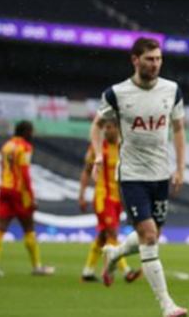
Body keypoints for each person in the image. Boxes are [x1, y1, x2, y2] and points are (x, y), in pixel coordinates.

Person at [93, 37, 188, 317]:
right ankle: (167, 305)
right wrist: (99, 154)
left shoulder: (172, 90)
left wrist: (180, 168)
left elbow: (179, 129)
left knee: (153, 235)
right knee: (148, 236)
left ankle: (115, 253)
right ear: (135, 60)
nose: (155, 64)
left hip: (160, 174)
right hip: (132, 175)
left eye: (158, 58)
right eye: (149, 59)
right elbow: (96, 126)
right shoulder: (117, 93)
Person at [78, 117, 142, 283]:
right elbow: (86, 171)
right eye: (105, 127)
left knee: (102, 236)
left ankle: (87, 272)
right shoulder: (97, 148)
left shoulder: (123, 148)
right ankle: (125, 270)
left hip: (117, 198)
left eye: (110, 127)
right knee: (112, 233)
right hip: (102, 197)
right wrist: (81, 194)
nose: (106, 131)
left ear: (118, 129)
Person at [0, 120, 54, 277]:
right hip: (18, 191)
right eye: (31, 131)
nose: (32, 135)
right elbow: (24, 173)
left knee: (1, 228)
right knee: (29, 227)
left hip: (4, 188)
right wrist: (31, 196)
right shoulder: (25, 147)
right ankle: (36, 266)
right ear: (25, 131)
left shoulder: (6, 146)